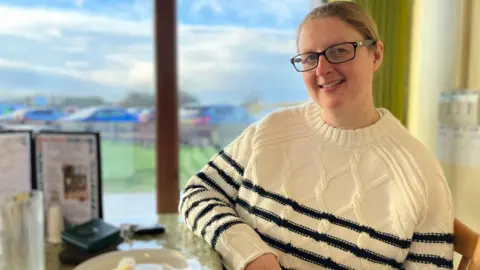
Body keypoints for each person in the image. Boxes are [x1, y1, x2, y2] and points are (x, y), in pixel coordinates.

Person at [179, 1, 455, 269]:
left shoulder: (420, 174)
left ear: (376, 54)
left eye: (339, 51)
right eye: (310, 58)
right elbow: (196, 194)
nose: (322, 69)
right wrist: (252, 256)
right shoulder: (271, 131)